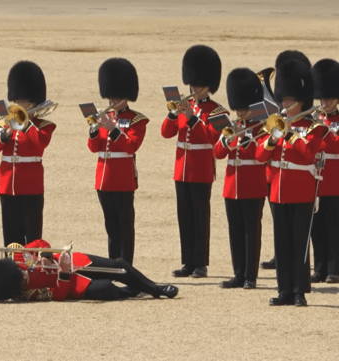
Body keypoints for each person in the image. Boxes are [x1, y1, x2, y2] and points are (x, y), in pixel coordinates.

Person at [255, 57, 327, 307]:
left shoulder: (314, 127)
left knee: (299, 243)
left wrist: (291, 134)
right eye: (283, 100)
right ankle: (284, 289)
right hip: (278, 192)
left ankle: (299, 291)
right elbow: (260, 155)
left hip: (302, 191)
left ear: (300, 103)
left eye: (288, 101)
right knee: (282, 243)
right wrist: (274, 139)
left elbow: (308, 154)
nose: (284, 105)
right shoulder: (276, 124)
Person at [161, 45, 229, 278]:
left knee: (200, 216)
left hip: (200, 169)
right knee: (185, 217)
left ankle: (201, 262)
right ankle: (188, 262)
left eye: (199, 85)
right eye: (193, 84)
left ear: (209, 86)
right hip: (182, 168)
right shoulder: (184, 106)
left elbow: (214, 138)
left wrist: (191, 120)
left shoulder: (217, 111)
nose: (195, 88)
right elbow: (166, 133)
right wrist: (173, 114)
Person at [0, 61, 56, 247]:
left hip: (31, 186)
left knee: (32, 239)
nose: (19, 105)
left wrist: (26, 124)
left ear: (33, 103)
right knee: (11, 237)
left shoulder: (43, 125)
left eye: (23, 102)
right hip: (8, 185)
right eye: (17, 101)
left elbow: (40, 143)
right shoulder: (6, 122)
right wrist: (5, 134)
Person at [87, 58, 149, 266]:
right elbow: (94, 148)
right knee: (111, 228)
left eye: (115, 96)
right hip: (103, 179)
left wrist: (113, 130)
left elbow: (131, 146)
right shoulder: (105, 117)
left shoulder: (136, 120)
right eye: (110, 96)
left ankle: (126, 267)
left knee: (124, 228)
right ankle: (114, 266)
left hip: (122, 180)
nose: (111, 100)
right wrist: (94, 131)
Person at [0, 239, 179, 302]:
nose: (24, 274)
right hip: (73, 284)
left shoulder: (17, 256)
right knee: (107, 289)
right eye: (21, 277)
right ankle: (132, 291)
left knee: (119, 266)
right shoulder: (27, 293)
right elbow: (57, 294)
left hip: (73, 260)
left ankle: (155, 289)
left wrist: (46, 256)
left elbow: (40, 243)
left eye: (20, 272)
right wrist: (64, 274)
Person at [214, 68, 267, 289]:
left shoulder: (261, 128)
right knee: (235, 231)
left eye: (244, 109)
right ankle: (238, 274)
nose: (241, 113)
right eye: (239, 109)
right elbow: (217, 153)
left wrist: (249, 141)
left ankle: (250, 276)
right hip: (231, 185)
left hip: (253, 185)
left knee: (250, 232)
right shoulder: (231, 126)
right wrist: (226, 141)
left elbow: (261, 156)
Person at [310, 58, 339, 284]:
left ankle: (334, 269)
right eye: (323, 97)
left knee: (334, 227)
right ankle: (319, 268)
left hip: (335, 178)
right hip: (316, 179)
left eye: (329, 98)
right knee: (316, 228)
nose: (325, 101)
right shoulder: (314, 119)